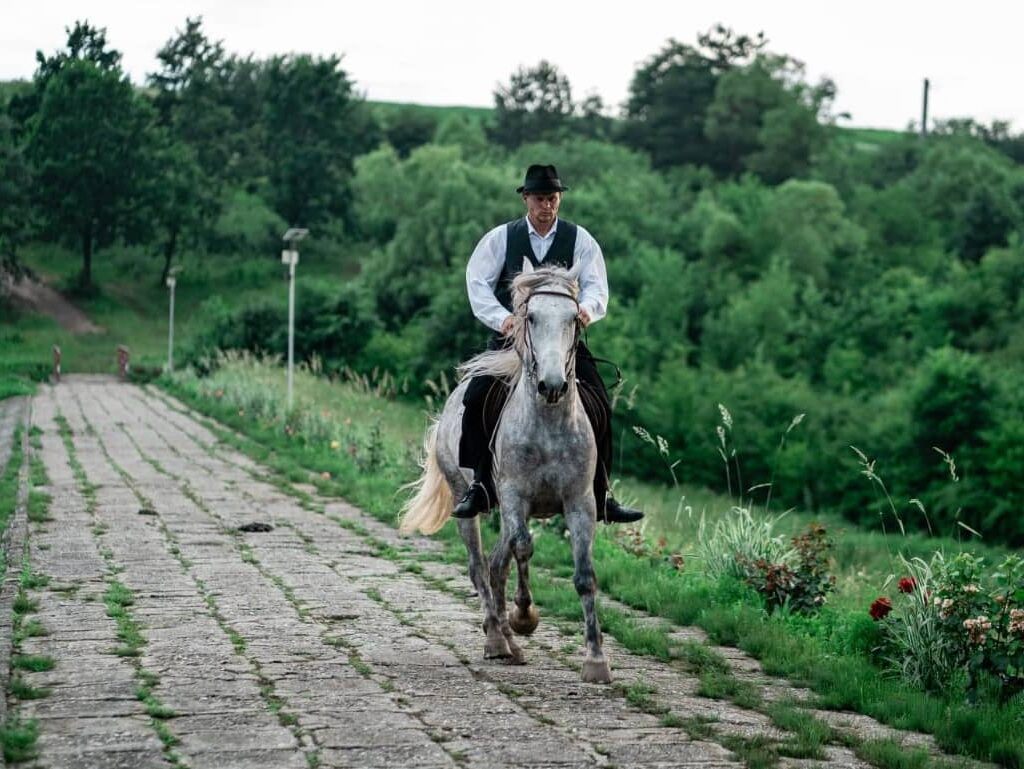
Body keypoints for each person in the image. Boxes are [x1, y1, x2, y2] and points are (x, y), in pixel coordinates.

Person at [454, 163, 643, 524]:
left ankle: (603, 493)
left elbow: (596, 286)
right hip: (513, 340)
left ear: (559, 199)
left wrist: (587, 310)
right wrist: (503, 319)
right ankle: (479, 483)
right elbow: (476, 282)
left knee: (600, 401)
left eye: (553, 198)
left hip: (562, 340)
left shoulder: (580, 239)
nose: (547, 206)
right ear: (526, 199)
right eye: (540, 198)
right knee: (476, 397)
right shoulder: (502, 238)